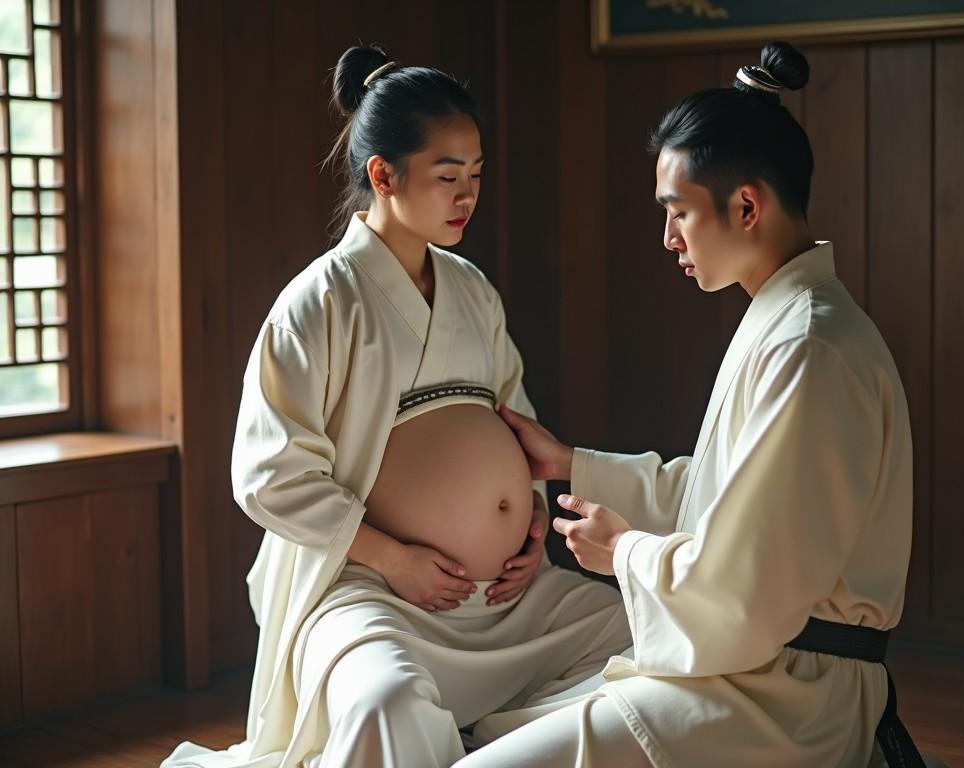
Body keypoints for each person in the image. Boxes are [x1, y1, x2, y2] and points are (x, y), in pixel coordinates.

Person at [161, 45, 631, 768]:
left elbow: (517, 426)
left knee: (646, 639)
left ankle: (486, 749)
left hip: (508, 598)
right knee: (389, 704)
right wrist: (396, 560)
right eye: (447, 177)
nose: (467, 196)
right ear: (383, 174)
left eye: (475, 175)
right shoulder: (318, 303)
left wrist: (532, 522)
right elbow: (268, 474)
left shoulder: (472, 289)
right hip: (375, 593)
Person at [458, 41, 924, 768]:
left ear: (746, 206)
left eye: (678, 212)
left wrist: (625, 551)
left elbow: (742, 588)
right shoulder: (789, 320)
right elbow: (729, 502)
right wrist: (572, 463)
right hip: (760, 667)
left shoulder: (808, 346)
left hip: (787, 695)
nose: (667, 237)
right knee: (487, 731)